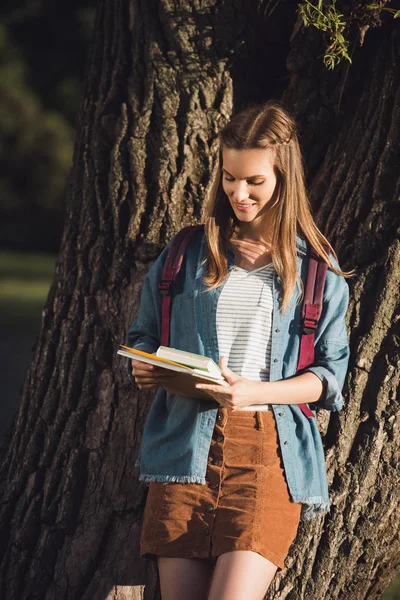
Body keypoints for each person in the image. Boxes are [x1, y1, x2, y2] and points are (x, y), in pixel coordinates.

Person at [127, 101, 351, 600]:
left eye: (254, 181)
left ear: (283, 178)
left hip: (268, 454)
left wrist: (255, 392)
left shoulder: (315, 269)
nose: (239, 193)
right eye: (230, 178)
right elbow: (143, 332)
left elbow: (330, 377)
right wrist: (145, 363)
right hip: (184, 450)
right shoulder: (187, 252)